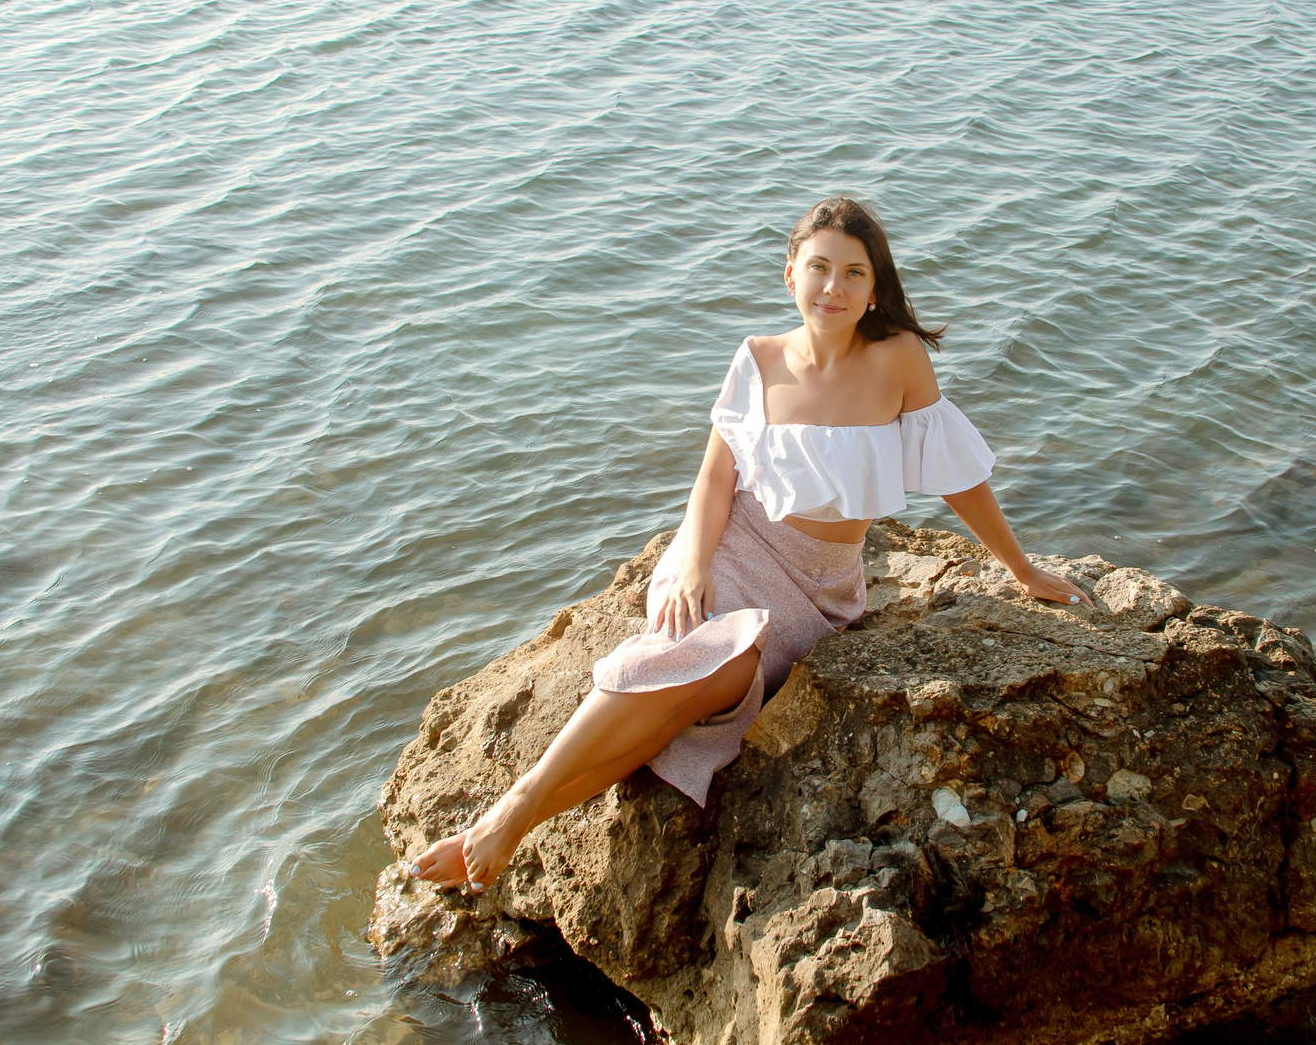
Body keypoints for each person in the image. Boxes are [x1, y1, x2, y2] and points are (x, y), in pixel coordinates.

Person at [407, 197, 1092, 894]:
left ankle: (501, 823)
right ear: (789, 274)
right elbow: (713, 478)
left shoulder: (899, 359)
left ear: (875, 288)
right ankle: (512, 815)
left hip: (821, 591)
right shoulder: (759, 359)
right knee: (688, 673)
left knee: (691, 699)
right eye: (819, 267)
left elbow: (957, 478)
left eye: (853, 273)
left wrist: (1022, 569)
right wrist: (692, 563)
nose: (834, 286)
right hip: (733, 551)